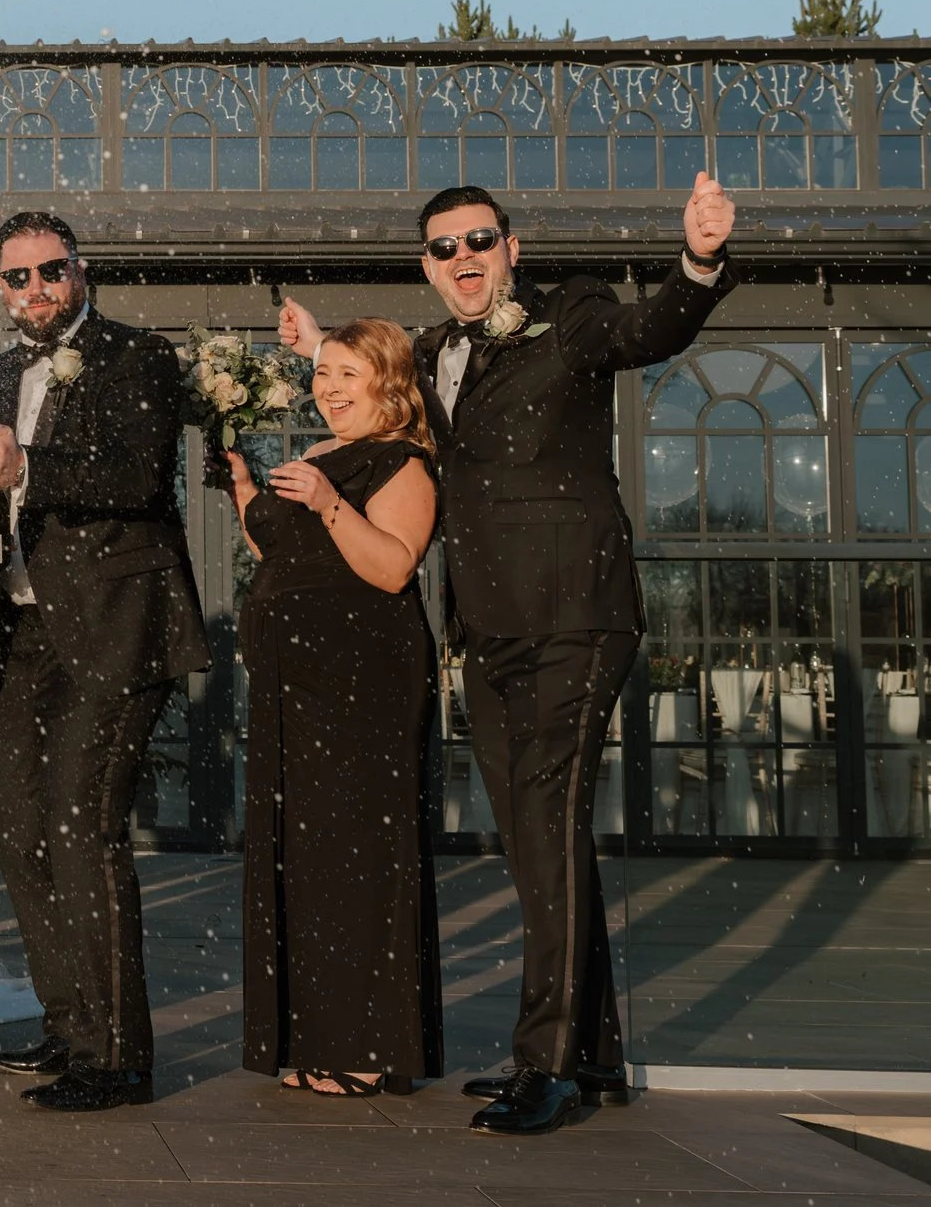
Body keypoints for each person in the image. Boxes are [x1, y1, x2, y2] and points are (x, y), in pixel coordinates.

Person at [282, 173, 735, 1135]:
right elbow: (379, 405)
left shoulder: (569, 317)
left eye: (479, 240)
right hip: (485, 626)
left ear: (511, 248)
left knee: (545, 820)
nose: (464, 259)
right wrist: (321, 347)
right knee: (541, 839)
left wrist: (697, 260)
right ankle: (596, 1054)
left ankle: (546, 1064)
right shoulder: (437, 352)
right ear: (428, 266)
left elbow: (648, 332)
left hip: (575, 613)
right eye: (444, 248)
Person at [0, 212, 208, 1113]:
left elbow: (137, 476)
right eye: (16, 277)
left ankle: (121, 1054)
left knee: (82, 826)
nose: (35, 291)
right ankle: (69, 1025)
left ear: (79, 270)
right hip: (19, 634)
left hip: (115, 624)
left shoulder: (139, 356)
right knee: (17, 828)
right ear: (0, 288)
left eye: (49, 271)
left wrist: (30, 465)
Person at [223, 317, 442, 1098]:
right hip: (295, 686)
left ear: (389, 384)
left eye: (349, 374)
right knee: (305, 859)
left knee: (359, 858)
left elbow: (389, 567)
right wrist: (251, 495)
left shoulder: (404, 462)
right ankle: (316, 1034)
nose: (330, 388)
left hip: (364, 684)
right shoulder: (318, 455)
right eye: (324, 374)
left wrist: (323, 502)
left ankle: (371, 1045)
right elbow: (291, 556)